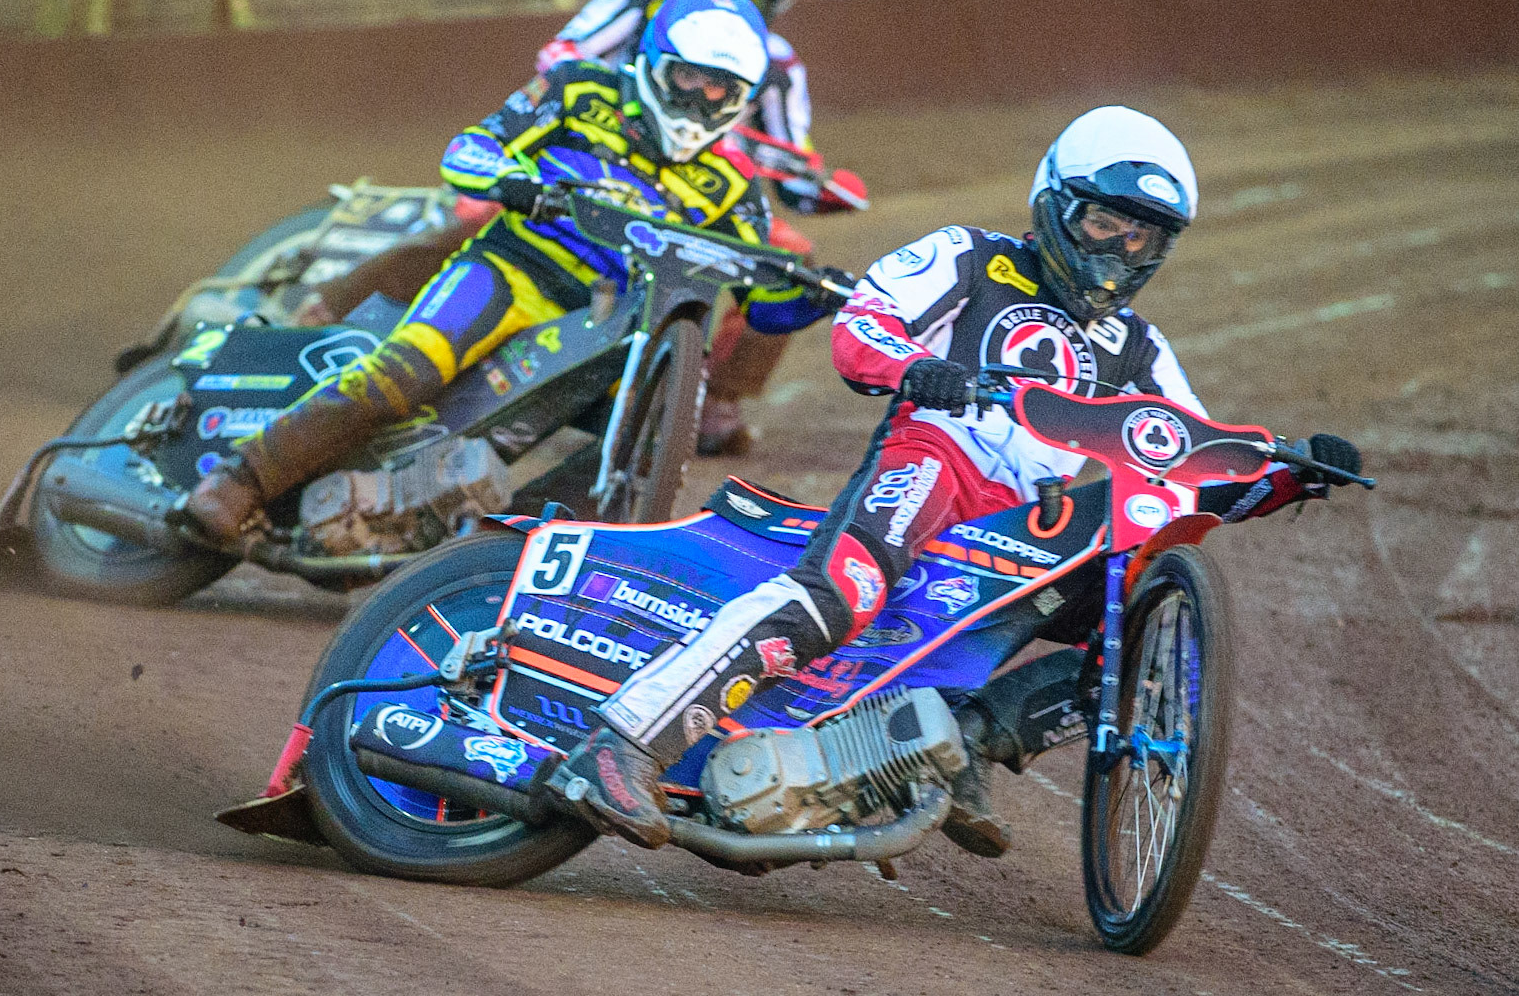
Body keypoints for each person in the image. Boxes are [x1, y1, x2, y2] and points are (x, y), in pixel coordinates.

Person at [550, 106, 1364, 853]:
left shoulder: (1138, 348)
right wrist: (920, 370)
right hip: (932, 461)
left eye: (1141, 237)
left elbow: (1185, 453)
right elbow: (862, 325)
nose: (1118, 247)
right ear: (1054, 201)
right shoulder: (969, 257)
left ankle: (966, 734)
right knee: (839, 590)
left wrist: (1289, 475)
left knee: (1130, 629)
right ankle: (622, 742)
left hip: (1020, 528)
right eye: (1103, 219)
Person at [186, 0, 837, 542]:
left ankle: (493, 555)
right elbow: (469, 148)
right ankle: (241, 478)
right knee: (407, 371)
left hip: (614, 327)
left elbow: (765, 306)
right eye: (687, 77)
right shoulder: (580, 91)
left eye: (718, 88)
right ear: (653, 63)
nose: (698, 99)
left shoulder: (733, 186)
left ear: (742, 96)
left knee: (650, 440)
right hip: (514, 270)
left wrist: (812, 297)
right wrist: (512, 181)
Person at [539, 0, 865, 455]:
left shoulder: (777, 65)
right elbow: (559, 56)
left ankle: (714, 394)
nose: (734, 7)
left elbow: (794, 169)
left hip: (699, 191)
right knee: (478, 209)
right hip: (595, 153)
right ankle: (362, 300)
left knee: (789, 262)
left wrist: (820, 186)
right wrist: (624, 99)